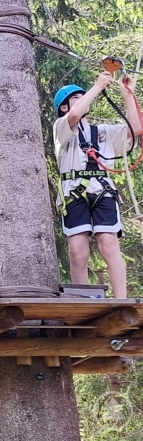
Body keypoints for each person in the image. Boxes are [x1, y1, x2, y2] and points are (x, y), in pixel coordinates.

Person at [53, 71, 142, 299]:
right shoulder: (62, 128)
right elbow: (74, 115)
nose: (83, 99)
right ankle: (81, 300)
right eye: (76, 97)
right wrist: (96, 86)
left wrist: (127, 94)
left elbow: (135, 129)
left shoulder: (102, 133)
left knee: (108, 245)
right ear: (64, 106)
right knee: (78, 252)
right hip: (73, 192)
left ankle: (121, 300)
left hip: (102, 191)